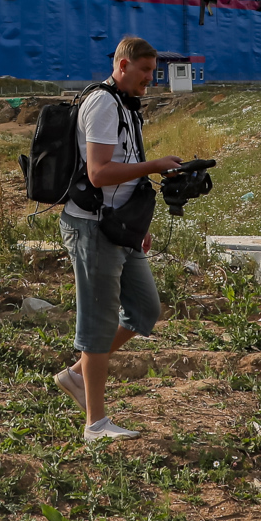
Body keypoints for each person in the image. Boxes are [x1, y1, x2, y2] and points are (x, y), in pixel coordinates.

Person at [54, 36, 184, 443]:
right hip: (92, 227)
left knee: (144, 310)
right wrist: (157, 164)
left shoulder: (127, 106)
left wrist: (139, 227)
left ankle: (77, 374)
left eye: (153, 71)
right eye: (145, 71)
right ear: (123, 65)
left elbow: (123, 174)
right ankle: (95, 423)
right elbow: (99, 173)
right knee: (97, 324)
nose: (151, 78)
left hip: (119, 227)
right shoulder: (104, 104)